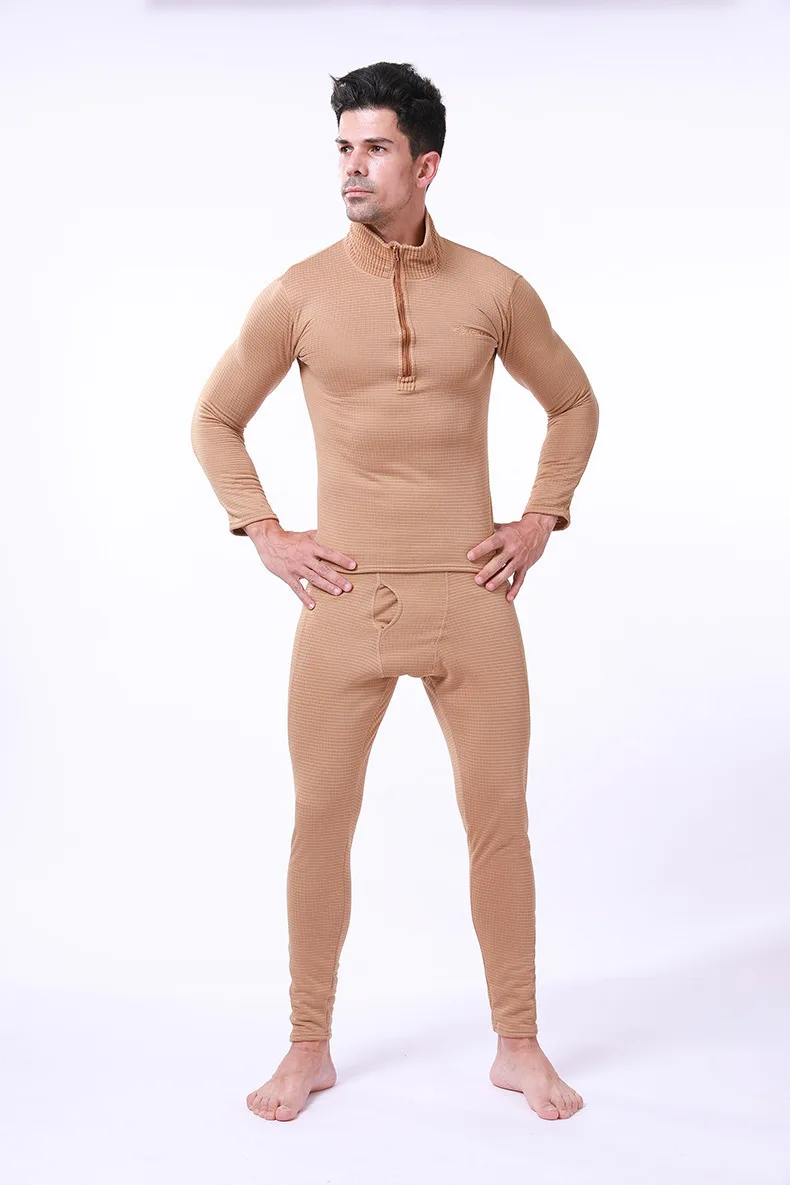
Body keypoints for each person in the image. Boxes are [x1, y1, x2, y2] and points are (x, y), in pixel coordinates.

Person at [191, 61, 599, 1123]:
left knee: (499, 822)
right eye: (342, 148)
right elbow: (214, 418)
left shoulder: (493, 289)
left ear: (425, 165)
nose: (351, 167)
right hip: (345, 598)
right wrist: (265, 531)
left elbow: (573, 402)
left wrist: (539, 519)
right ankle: (307, 1048)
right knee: (320, 822)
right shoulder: (298, 294)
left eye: (373, 148)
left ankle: (518, 1044)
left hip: (473, 594)